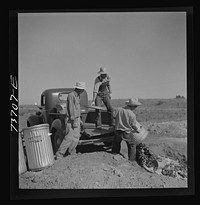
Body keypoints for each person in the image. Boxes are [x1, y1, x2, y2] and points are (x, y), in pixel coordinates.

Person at [55, 82, 86, 159]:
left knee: (76, 137)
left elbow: (77, 108)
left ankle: (71, 152)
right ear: (78, 89)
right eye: (82, 89)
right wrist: (73, 119)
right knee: (69, 137)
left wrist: (79, 120)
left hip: (77, 118)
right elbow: (71, 108)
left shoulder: (78, 96)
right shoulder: (71, 95)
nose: (82, 91)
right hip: (71, 119)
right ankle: (59, 154)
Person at [112, 98, 143, 162]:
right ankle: (132, 160)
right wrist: (137, 130)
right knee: (132, 144)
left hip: (118, 130)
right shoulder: (132, 114)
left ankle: (115, 153)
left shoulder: (118, 109)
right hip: (126, 132)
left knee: (116, 142)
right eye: (136, 106)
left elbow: (113, 117)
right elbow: (133, 125)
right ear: (133, 106)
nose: (136, 107)